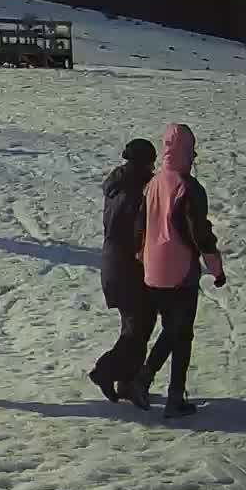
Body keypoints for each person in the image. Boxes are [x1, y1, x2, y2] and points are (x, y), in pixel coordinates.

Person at [139, 124, 224, 419]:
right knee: (182, 334)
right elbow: (199, 234)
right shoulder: (189, 187)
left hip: (152, 271)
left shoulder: (153, 183)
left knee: (172, 330)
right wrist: (216, 268)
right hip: (180, 272)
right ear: (186, 151)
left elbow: (141, 227)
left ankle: (144, 378)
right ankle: (174, 396)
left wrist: (142, 256)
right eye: (192, 149)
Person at [89, 139, 156, 403]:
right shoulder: (133, 193)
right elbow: (134, 231)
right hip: (128, 267)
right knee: (139, 325)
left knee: (135, 325)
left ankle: (127, 381)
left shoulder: (119, 185)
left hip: (116, 265)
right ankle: (106, 371)